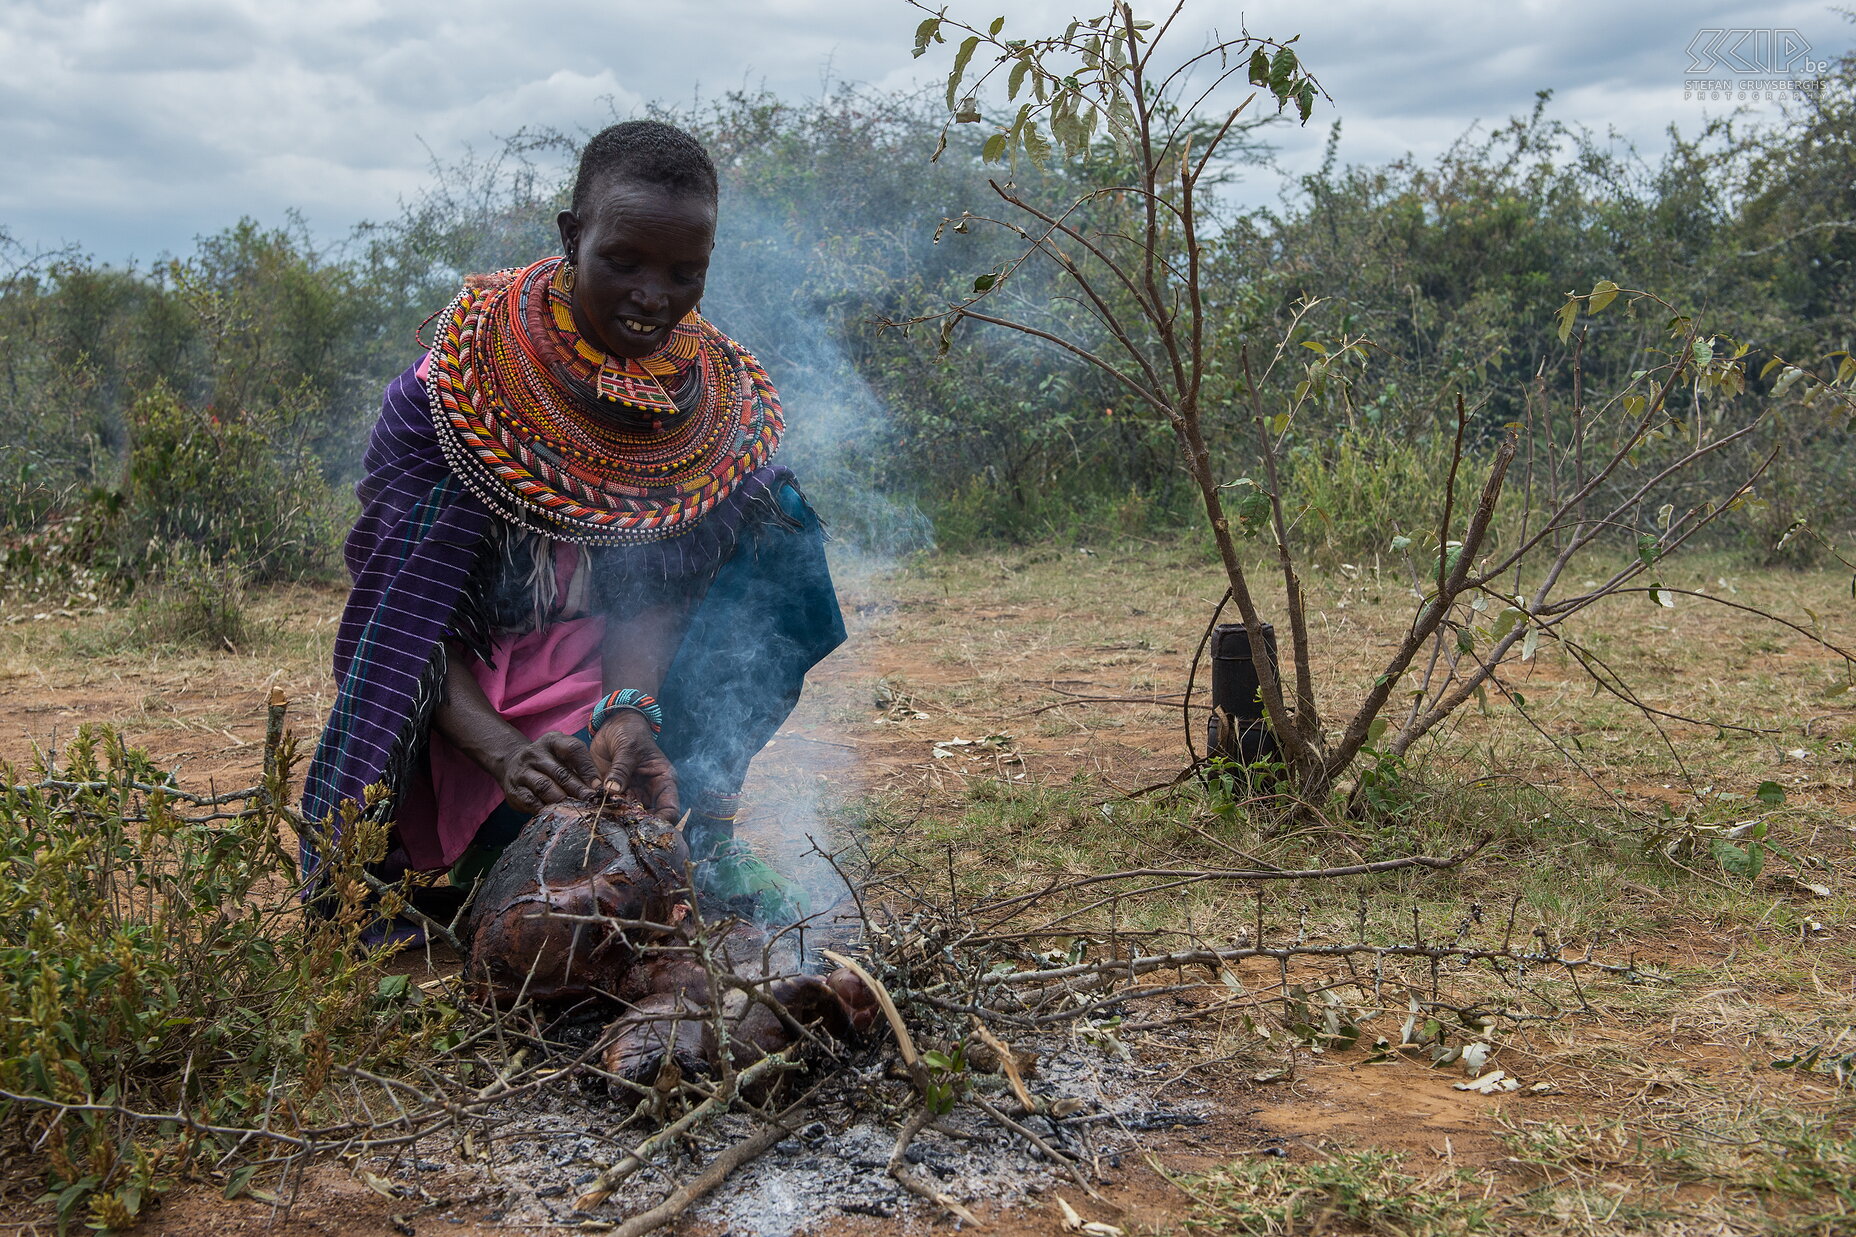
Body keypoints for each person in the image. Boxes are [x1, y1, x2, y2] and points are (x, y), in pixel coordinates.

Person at [302, 121, 843, 933]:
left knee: (780, 525)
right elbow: (403, 621)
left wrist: (627, 712)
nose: (653, 297)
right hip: (483, 716)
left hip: (607, 694)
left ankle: (696, 820)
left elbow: (654, 585)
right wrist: (505, 752)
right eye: (622, 262)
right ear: (571, 235)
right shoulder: (448, 394)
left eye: (684, 273)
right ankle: (495, 850)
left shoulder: (702, 408)